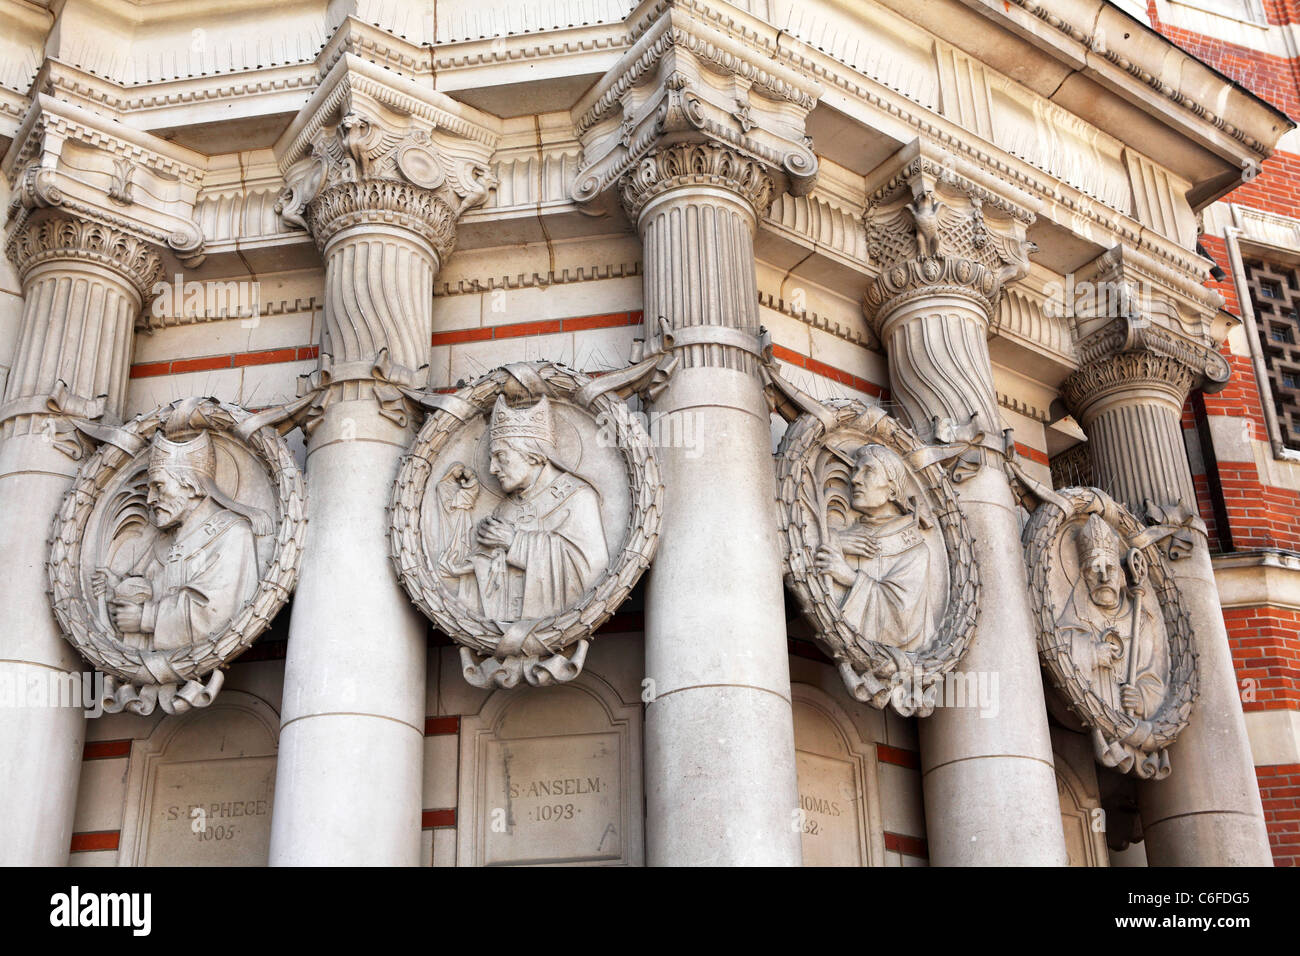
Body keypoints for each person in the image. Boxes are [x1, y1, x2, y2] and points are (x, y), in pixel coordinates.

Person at [440, 395, 608, 621]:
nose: (492, 468)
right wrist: (458, 506)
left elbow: (592, 571)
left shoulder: (577, 497)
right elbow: (461, 578)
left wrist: (515, 542)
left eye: (500, 456)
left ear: (533, 454)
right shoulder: (504, 510)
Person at [93, 430, 263, 651]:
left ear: (190, 485)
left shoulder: (233, 533)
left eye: (159, 486)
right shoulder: (167, 539)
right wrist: (117, 590)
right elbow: (151, 589)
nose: (150, 499)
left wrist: (147, 618)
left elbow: (217, 613)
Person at [815, 443, 932, 652]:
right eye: (855, 471)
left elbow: (901, 620)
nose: (855, 479)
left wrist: (850, 578)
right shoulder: (846, 532)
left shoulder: (915, 551)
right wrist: (836, 540)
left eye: (868, 471)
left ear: (893, 490)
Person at [1056, 514, 1168, 718]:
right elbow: (1057, 653)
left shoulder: (1139, 622)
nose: (1104, 578)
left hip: (1131, 723)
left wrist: (1140, 698)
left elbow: (1155, 681)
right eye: (1094, 570)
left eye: (1110, 569)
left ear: (1122, 576)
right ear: (1084, 577)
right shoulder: (1076, 615)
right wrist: (1091, 654)